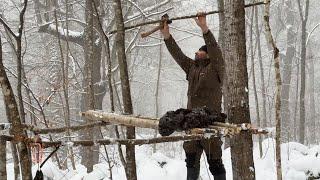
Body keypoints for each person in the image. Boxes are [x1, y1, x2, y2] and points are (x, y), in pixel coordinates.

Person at [160, 12, 226, 180]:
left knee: (215, 163)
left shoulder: (216, 68)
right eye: (197, 51)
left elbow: (215, 49)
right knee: (190, 161)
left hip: (211, 122)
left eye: (201, 51)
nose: (197, 53)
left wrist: (204, 28)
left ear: (208, 54)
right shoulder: (191, 67)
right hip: (191, 121)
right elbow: (178, 55)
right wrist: (167, 35)